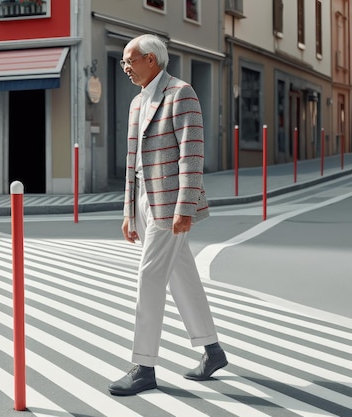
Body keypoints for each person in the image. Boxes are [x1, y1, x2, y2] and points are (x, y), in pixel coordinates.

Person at [108, 34, 228, 396]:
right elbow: (133, 163)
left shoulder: (181, 94)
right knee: (181, 276)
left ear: (151, 60)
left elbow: (191, 156)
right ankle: (213, 350)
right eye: (123, 62)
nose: (125, 68)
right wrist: (129, 211)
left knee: (150, 277)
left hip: (170, 203)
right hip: (145, 200)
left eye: (130, 61)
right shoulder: (136, 102)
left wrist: (185, 208)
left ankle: (144, 366)